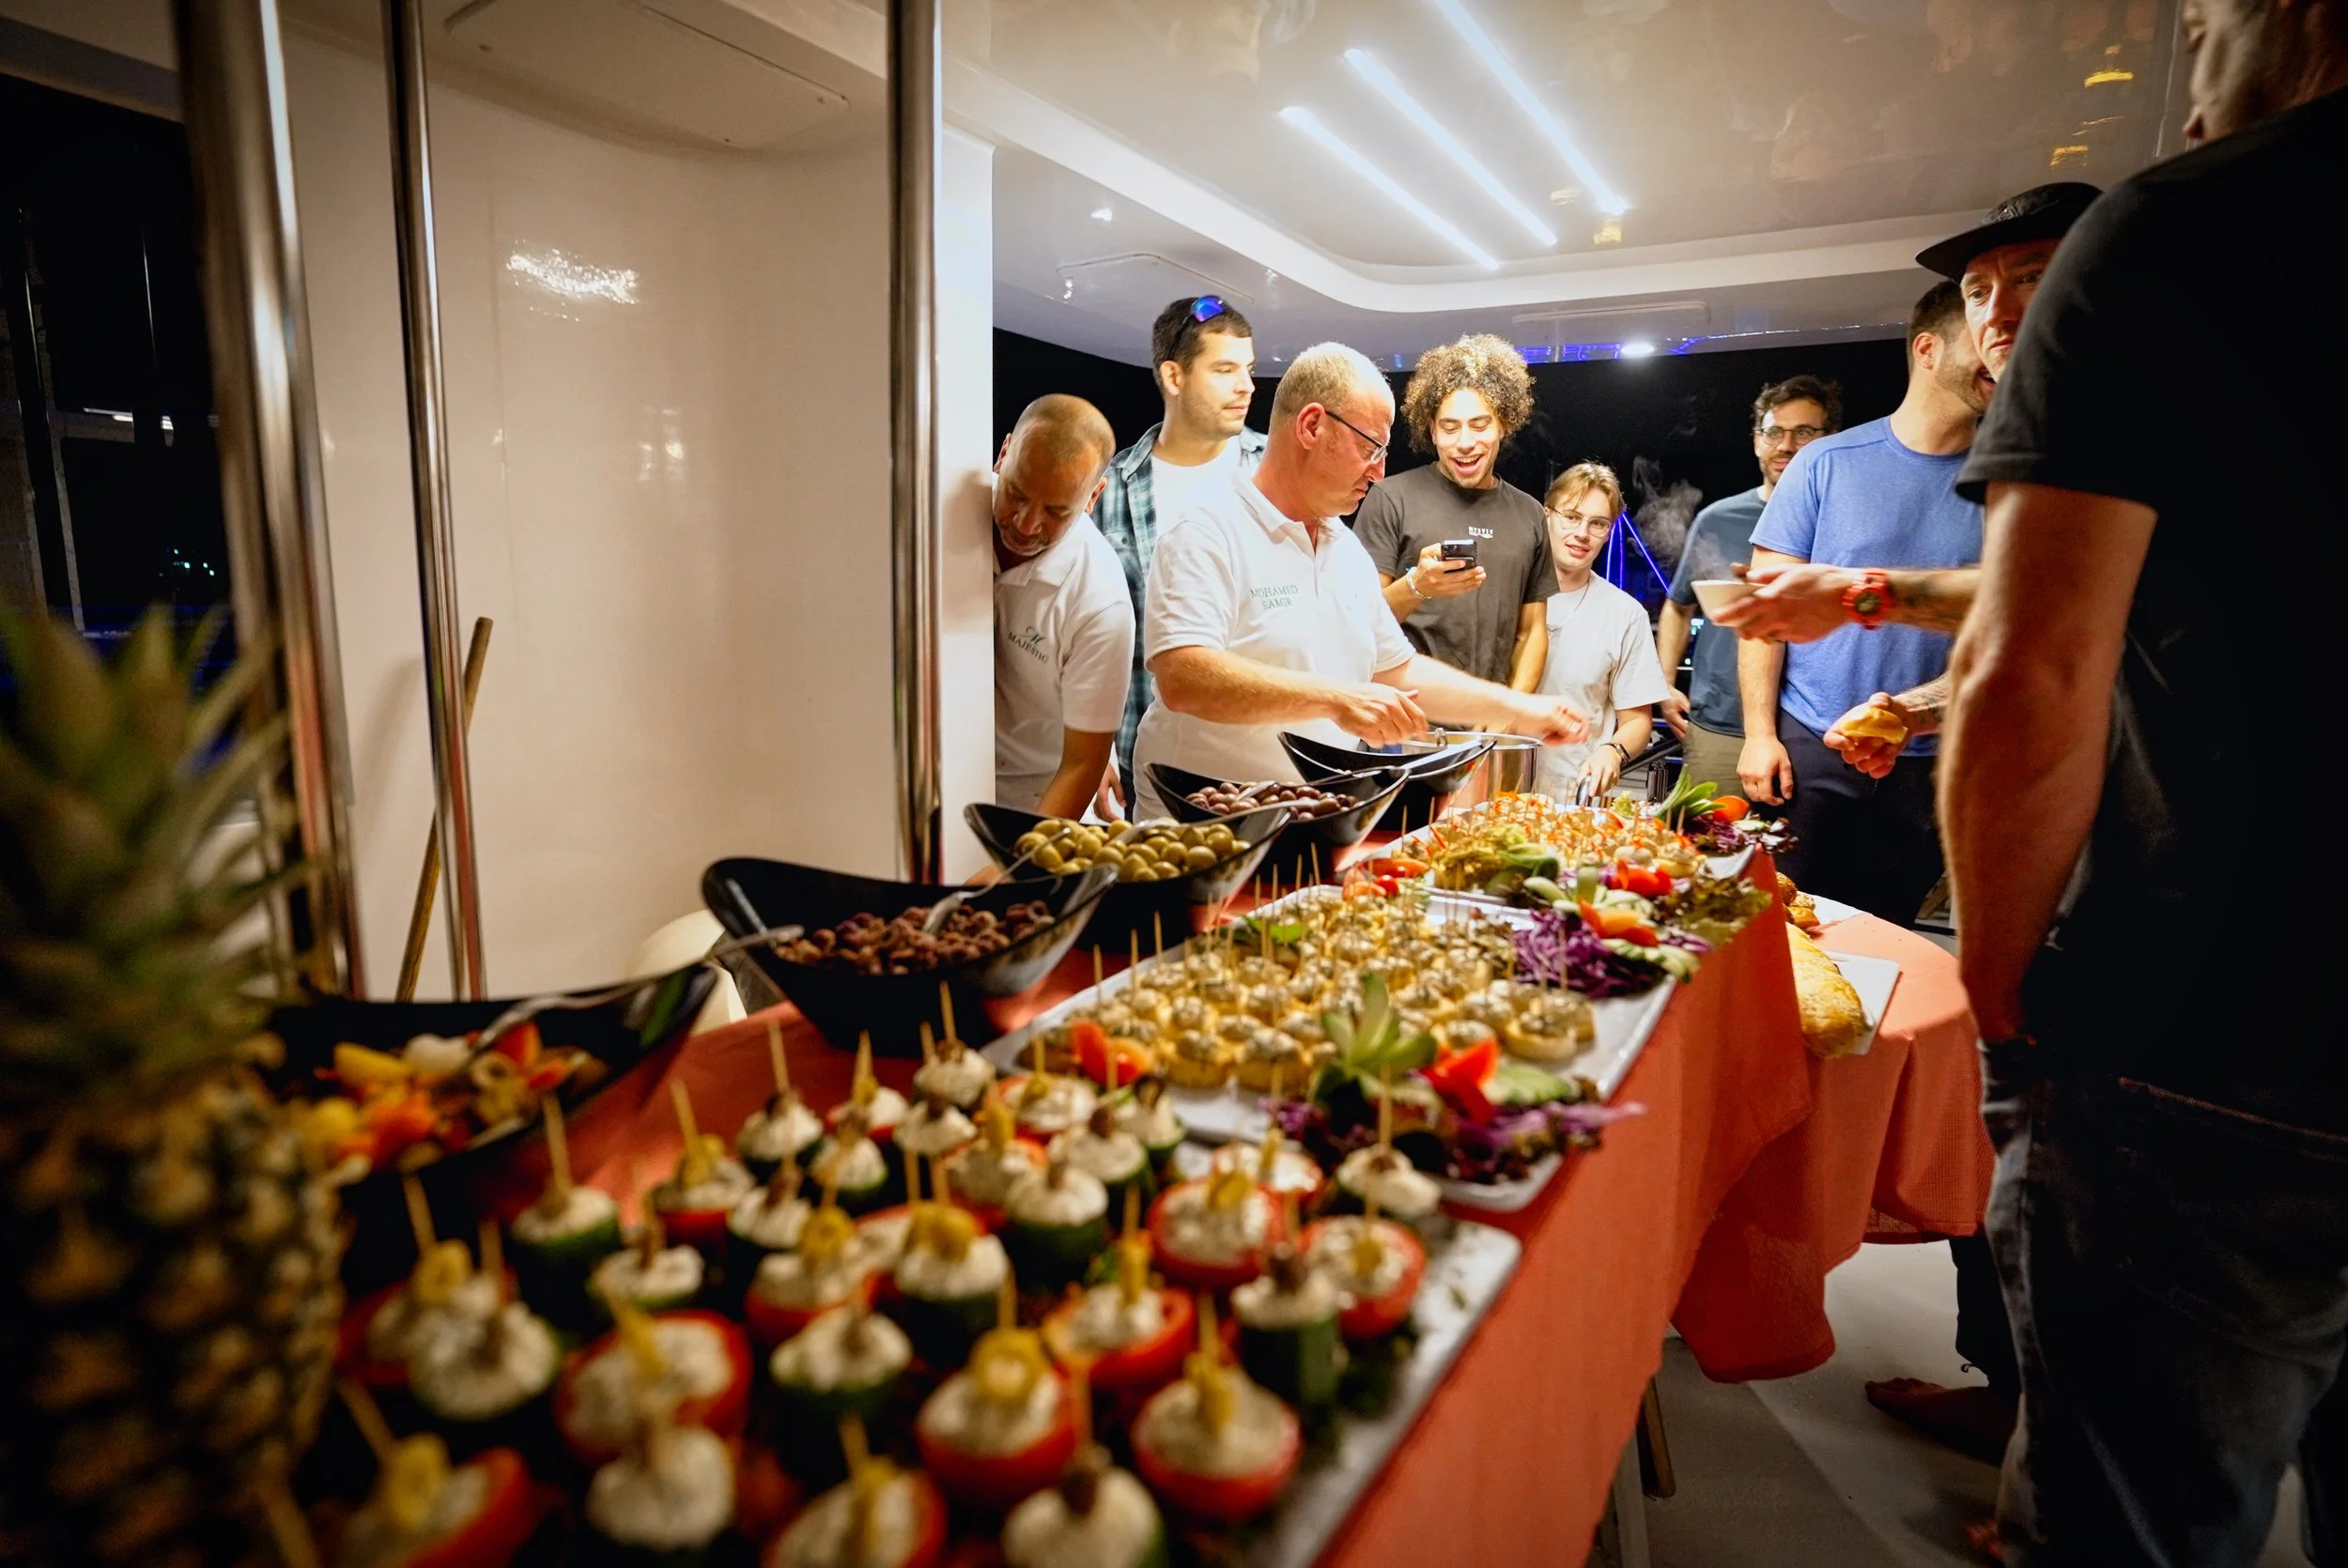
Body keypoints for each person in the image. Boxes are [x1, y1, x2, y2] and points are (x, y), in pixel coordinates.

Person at [1942, 3, 2348, 1560]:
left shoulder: (2183, 226)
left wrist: (1997, 981)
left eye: (2197, 25)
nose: (2185, 93)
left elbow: (2034, 663)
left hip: (2215, 1033)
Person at [1713, 183, 2102, 782]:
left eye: (2032, 278)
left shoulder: (2128, 434)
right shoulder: (1831, 463)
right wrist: (1911, 713)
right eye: (1978, 293)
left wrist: (1853, 594)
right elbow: (2021, 627)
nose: (1997, 317)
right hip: (1830, 736)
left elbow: (2053, 615)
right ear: (1927, 349)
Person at [1130, 343, 1587, 817]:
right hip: (1199, 825)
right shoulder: (1207, 530)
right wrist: (1336, 699)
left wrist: (1520, 710)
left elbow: (1398, 670)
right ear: (1311, 426)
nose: (1379, 471)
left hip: (1310, 818)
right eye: (1370, 448)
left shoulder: (1343, 549)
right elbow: (1184, 677)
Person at [1732, 281, 1986, 924]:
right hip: (1811, 742)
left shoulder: (2008, 479)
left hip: (1933, 757)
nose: (2003, 350)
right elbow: (1765, 616)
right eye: (1982, 331)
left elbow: (2005, 628)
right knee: (1781, 924)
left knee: (1889, 933)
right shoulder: (1824, 462)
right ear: (1928, 350)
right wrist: (1760, 735)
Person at [1093, 296, 1267, 813]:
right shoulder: (1111, 488)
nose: (1247, 385)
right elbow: (1084, 632)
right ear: (1174, 376)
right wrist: (1089, 747)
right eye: (1225, 370)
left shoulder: (1276, 474)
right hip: (1149, 767)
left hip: (1269, 761)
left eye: (1248, 369)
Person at [1656, 376, 1842, 798]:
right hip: (1721, 727)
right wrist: (1664, 682)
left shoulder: (1846, 524)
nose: (1786, 445)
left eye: (1804, 432)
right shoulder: (1717, 519)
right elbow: (1678, 606)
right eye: (1774, 432)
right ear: (1758, 441)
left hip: (1816, 731)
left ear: (1830, 439)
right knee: (1710, 837)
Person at [1353, 335, 1552, 691]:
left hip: (1492, 720)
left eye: (1479, 425)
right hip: (1404, 717)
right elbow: (1359, 624)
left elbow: (1532, 632)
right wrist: (1417, 586)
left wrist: (1509, 712)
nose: (1464, 442)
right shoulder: (1391, 499)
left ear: (1504, 425)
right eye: (1449, 427)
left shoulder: (1530, 515)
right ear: (1431, 430)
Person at [990, 395, 1131, 819]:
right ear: (1003, 454)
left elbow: (1083, 763)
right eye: (1016, 493)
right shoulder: (941, 508)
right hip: (944, 776)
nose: (1026, 524)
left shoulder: (1100, 602)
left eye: (1055, 511)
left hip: (1041, 795)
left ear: (1093, 498)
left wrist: (1025, 852)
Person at [1532, 465, 1676, 801]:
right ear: (1547, 515)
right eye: (1571, 516)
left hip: (1571, 796)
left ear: (1609, 532)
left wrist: (1613, 751)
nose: (1582, 533)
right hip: (1491, 785)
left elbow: (1637, 721)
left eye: (1598, 523)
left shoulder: (1624, 615)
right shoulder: (1506, 592)